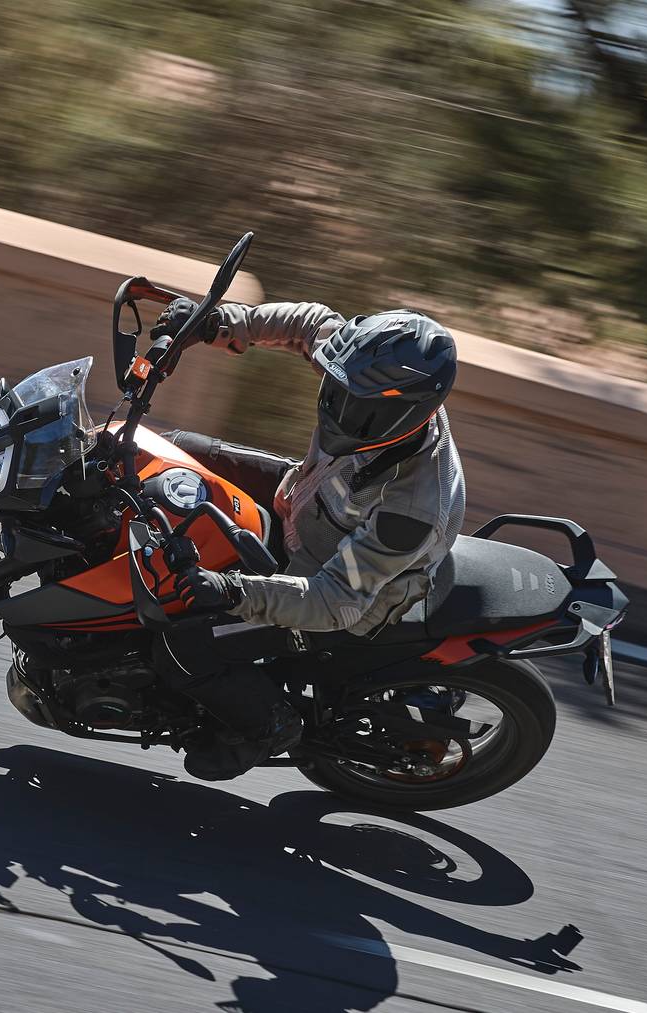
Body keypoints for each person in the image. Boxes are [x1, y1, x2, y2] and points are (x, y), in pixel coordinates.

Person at [152, 298, 467, 781]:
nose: (341, 410)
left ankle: (267, 727)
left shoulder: (411, 509)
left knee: (181, 638)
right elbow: (308, 323)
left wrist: (232, 591)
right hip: (303, 504)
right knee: (177, 454)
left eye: (360, 407)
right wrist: (214, 323)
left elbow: (332, 603)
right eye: (337, 390)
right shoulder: (360, 368)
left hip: (326, 590)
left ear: (413, 413)